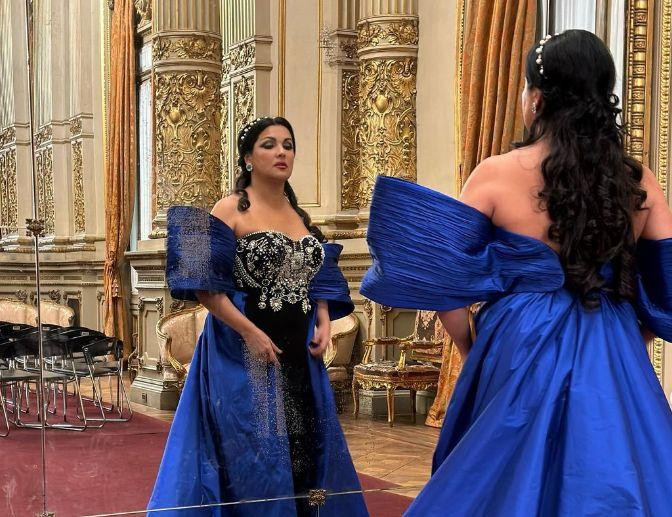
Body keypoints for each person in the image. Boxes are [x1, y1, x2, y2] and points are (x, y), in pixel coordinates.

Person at [361, 30, 672, 516]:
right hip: (611, 337)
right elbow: (667, 285)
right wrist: (631, 339)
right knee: (614, 470)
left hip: (517, 341)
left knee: (498, 477)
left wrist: (474, 347)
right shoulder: (640, 182)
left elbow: (442, 277)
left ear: (536, 98)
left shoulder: (497, 173)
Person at [148, 117, 368, 516]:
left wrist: (323, 317)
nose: (282, 152)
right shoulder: (228, 208)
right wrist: (249, 332)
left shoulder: (299, 215)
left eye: (288, 145)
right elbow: (204, 286)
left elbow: (318, 272)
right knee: (255, 450)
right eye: (269, 145)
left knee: (301, 445)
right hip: (242, 350)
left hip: (299, 352)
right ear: (248, 158)